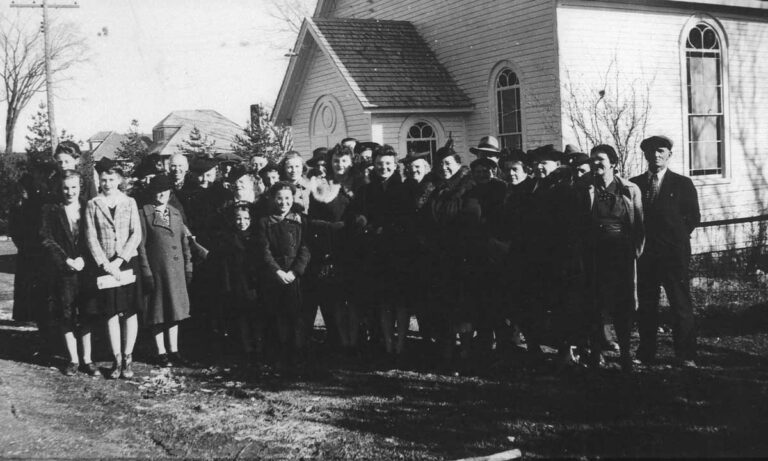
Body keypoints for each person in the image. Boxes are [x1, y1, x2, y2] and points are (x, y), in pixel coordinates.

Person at [630, 135, 700, 368]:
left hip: (673, 256)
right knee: (647, 306)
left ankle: (686, 354)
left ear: (669, 154)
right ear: (645, 155)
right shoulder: (634, 184)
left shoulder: (682, 184)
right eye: (651, 151)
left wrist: (674, 240)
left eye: (660, 151)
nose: (655, 155)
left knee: (680, 305)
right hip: (645, 257)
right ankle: (646, 352)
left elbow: (692, 218)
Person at [577, 145, 644, 372]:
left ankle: (625, 354)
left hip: (621, 256)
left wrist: (634, 252)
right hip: (594, 256)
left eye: (601, 159)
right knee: (595, 306)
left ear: (613, 163)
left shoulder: (629, 189)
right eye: (593, 159)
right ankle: (595, 355)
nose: (596, 163)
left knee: (622, 306)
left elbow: (639, 225)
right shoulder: (584, 188)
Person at [349, 145, 410, 361]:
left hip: (399, 251)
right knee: (383, 300)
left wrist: (389, 228)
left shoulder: (405, 188)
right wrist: (362, 219)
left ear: (394, 166)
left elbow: (407, 218)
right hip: (374, 251)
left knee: (400, 302)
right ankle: (387, 342)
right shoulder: (366, 190)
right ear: (374, 166)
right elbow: (357, 213)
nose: (383, 167)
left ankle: (401, 343)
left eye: (387, 164)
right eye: (379, 164)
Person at [85, 158, 142, 379]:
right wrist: (105, 264)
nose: (107, 183)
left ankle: (128, 357)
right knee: (110, 312)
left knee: (129, 311)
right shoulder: (93, 204)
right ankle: (116, 358)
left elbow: (136, 234)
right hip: (105, 265)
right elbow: (91, 237)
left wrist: (119, 260)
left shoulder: (129, 202)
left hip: (127, 262)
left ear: (119, 180)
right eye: (103, 179)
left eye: (111, 179)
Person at [39, 170, 99, 376]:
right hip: (64, 270)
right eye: (66, 187)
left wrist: (84, 257)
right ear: (60, 188)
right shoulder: (51, 209)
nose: (70, 191)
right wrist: (66, 260)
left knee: (88, 313)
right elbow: (47, 238)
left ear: (80, 187)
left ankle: (88, 359)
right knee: (66, 314)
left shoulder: (89, 206)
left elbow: (95, 235)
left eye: (74, 187)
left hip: (86, 267)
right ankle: (73, 359)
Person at [426, 145, 476, 371]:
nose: (444, 168)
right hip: (438, 255)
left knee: (462, 306)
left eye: (449, 164)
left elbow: (470, 218)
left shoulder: (467, 186)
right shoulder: (434, 187)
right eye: (441, 164)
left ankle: (465, 350)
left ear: (457, 164)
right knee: (442, 305)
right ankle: (445, 349)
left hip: (461, 255)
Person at [306, 145, 359, 353]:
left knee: (353, 299)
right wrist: (330, 228)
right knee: (336, 297)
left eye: (344, 161)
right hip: (330, 247)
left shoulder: (358, 183)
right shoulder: (322, 185)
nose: (340, 165)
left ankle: (354, 340)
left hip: (354, 246)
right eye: (336, 161)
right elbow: (313, 219)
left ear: (351, 162)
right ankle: (341, 340)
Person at [137, 174, 192, 367]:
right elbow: (141, 246)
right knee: (158, 313)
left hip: (176, 272)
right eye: (158, 190)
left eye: (165, 191)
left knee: (175, 311)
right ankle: (161, 352)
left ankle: (174, 350)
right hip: (157, 272)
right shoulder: (144, 214)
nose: (161, 194)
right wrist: (146, 272)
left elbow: (184, 242)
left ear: (170, 193)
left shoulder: (176, 214)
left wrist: (188, 267)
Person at [256, 182, 311, 370]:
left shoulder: (300, 220)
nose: (283, 202)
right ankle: (279, 355)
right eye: (279, 198)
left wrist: (295, 272)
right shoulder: (265, 222)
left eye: (287, 198)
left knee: (296, 316)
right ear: (273, 199)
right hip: (274, 275)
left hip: (295, 275)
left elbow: (305, 247)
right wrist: (277, 271)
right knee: (277, 316)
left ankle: (297, 355)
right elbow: (264, 250)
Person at [218, 204, 261, 365]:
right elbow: (225, 267)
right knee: (241, 316)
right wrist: (227, 286)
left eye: (245, 218)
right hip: (237, 282)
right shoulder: (229, 239)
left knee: (256, 315)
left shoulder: (256, 237)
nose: (242, 222)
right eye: (238, 218)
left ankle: (259, 346)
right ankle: (246, 348)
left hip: (253, 282)